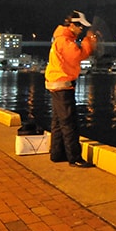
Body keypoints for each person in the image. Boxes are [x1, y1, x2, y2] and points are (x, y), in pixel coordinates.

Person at [44, 10, 97, 167]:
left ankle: (57, 154)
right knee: (69, 123)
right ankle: (75, 158)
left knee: (58, 122)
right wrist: (89, 42)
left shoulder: (60, 39)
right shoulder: (65, 41)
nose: (81, 29)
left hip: (56, 85)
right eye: (80, 26)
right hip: (63, 86)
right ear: (72, 24)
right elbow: (78, 55)